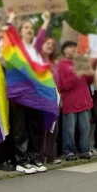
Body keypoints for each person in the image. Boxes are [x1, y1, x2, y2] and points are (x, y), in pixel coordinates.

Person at [0, 12, 50, 174]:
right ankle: (22, 161)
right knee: (20, 128)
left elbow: (41, 37)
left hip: (34, 93)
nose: (30, 29)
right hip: (18, 92)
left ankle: (35, 158)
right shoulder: (13, 48)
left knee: (34, 126)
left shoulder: (35, 49)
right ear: (19, 32)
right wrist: (11, 20)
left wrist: (46, 20)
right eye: (26, 27)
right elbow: (1, 51)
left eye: (31, 27)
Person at [57, 41, 94, 161]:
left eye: (74, 47)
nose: (73, 49)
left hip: (84, 101)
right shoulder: (61, 65)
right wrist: (76, 74)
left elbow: (88, 80)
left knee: (85, 128)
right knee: (69, 129)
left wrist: (90, 72)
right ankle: (69, 152)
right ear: (64, 50)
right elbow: (63, 85)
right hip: (70, 102)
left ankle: (84, 150)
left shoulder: (80, 63)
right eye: (70, 47)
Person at [38, 37, 62, 165]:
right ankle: (41, 156)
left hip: (54, 97)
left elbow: (57, 82)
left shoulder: (53, 63)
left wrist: (59, 98)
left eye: (52, 44)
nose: (50, 46)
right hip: (42, 98)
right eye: (47, 43)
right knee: (43, 128)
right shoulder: (37, 60)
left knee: (54, 128)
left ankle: (51, 155)